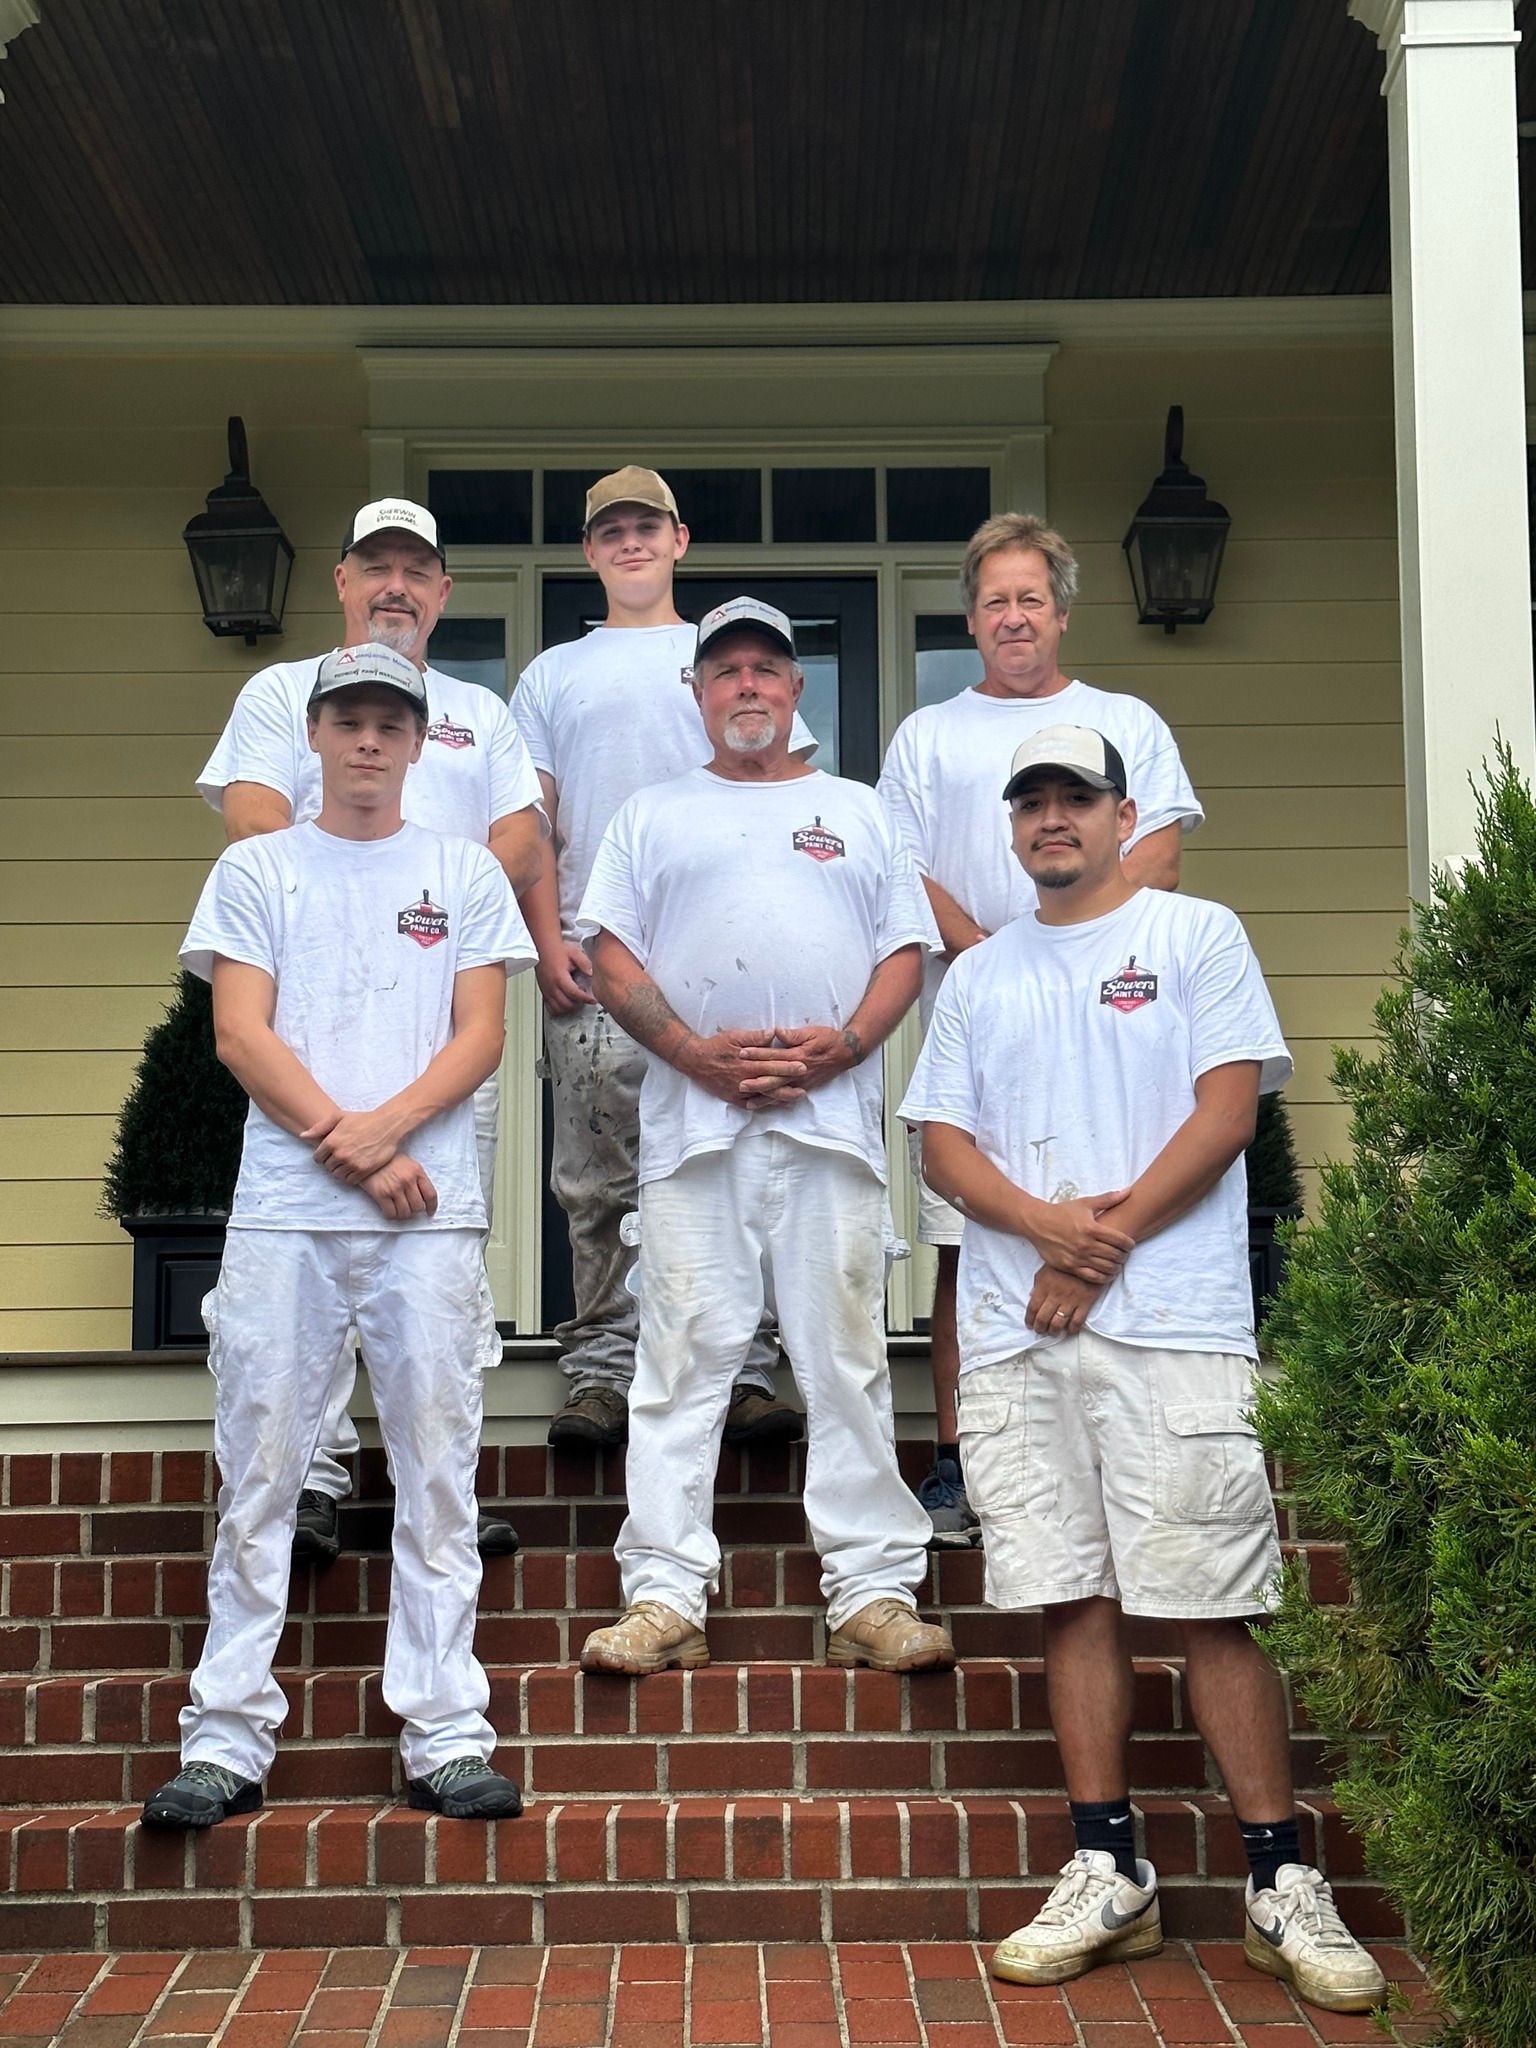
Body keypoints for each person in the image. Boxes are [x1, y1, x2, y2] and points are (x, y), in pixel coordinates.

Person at [899, 726, 1386, 2015]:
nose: (1053, 819)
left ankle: (1282, 1881)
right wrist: (1046, 1231)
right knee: (1073, 1596)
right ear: (1012, 829)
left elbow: (1228, 1113)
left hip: (1170, 1324)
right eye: (1033, 803)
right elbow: (943, 1147)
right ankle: (1108, 1867)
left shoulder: (1195, 935)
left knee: (1211, 1599)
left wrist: (1093, 1247)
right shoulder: (983, 974)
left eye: (1076, 798)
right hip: (1018, 1334)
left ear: (1123, 815)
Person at [142, 644, 534, 1830]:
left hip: (428, 1213)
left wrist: (391, 1131)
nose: (368, 742)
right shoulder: (259, 867)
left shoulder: (466, 872)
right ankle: (225, 1734)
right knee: (259, 1465)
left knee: (436, 1471)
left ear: (420, 743)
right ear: (313, 734)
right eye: (348, 721)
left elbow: (480, 1035)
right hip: (287, 1211)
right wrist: (347, 1140)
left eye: (389, 724)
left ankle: (444, 1728)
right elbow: (238, 1031)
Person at [573, 598, 955, 1679]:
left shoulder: (862, 808)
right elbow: (611, 958)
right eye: (725, 668)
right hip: (695, 1135)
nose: (747, 684)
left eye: (767, 669)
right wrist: (695, 1054)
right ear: (696, 692)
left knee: (844, 1357)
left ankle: (873, 1592)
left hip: (829, 1129)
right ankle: (663, 1595)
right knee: (681, 1360)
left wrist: (840, 1050)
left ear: (797, 691)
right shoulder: (650, 814)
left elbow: (903, 953)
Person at [197, 497, 545, 1563]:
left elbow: (518, 833)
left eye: (417, 571)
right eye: (376, 567)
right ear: (342, 581)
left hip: (438, 1022)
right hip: (306, 1016)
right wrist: (354, 888)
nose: (396, 585)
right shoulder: (278, 690)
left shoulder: (478, 713)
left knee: (438, 1262)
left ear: (442, 594)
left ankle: (426, 1476)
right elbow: (253, 815)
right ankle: (308, 1479)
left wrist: (438, 900)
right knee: (301, 1265)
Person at [878, 513, 1202, 1547]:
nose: (1012, 616)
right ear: (970, 618)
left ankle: (1120, 1447)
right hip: (977, 1031)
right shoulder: (927, 736)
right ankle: (963, 1462)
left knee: (1119, 1213)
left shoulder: (1125, 718)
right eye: (993, 600)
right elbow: (901, 870)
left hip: (1118, 1031)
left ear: (1061, 611)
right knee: (966, 1243)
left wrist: (1066, 950)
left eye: (1030, 598)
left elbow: (1158, 856)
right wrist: (993, 955)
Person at [512, 468, 809, 1448]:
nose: (631, 542)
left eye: (648, 526)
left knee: (737, 1161)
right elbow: (535, 820)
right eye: (612, 531)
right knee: (597, 1175)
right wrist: (549, 933)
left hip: (725, 958)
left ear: (681, 539)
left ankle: (750, 1369)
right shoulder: (554, 673)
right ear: (590, 552)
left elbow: (784, 787)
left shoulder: (725, 654)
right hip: (598, 960)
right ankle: (600, 1369)